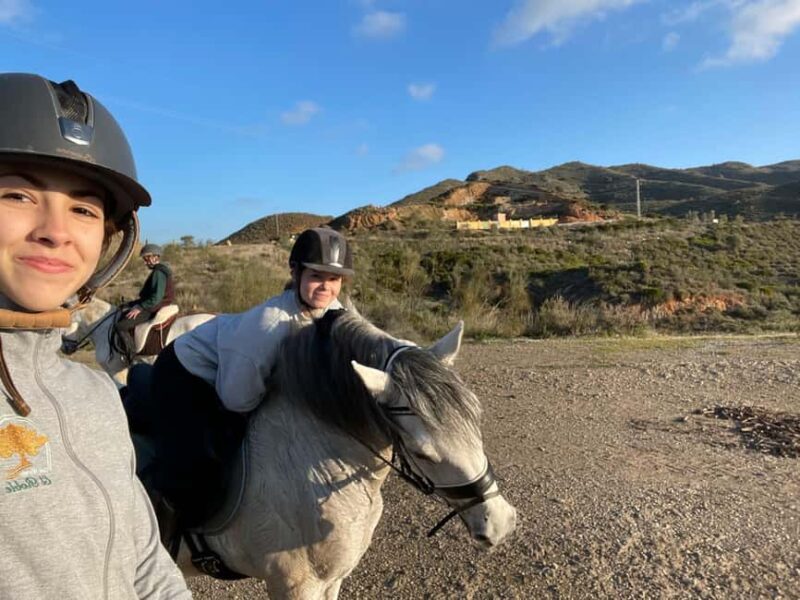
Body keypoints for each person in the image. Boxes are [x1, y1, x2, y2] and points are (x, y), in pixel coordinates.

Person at [0, 73, 191, 597]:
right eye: (17, 194)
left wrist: (138, 309)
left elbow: (147, 559)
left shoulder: (100, 394)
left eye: (83, 209)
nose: (56, 231)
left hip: (162, 306)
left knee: (134, 323)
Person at [135, 227, 354, 533]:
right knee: (200, 463)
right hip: (185, 372)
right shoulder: (270, 326)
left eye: (334, 279)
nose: (326, 287)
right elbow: (236, 400)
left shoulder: (331, 308)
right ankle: (166, 533)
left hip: (235, 366)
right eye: (317, 276)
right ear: (296, 272)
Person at [115, 242, 175, 359]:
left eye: (147, 258)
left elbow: (156, 297)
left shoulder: (158, 272)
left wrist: (140, 307)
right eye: (145, 259)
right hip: (155, 304)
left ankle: (131, 356)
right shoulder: (160, 271)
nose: (145, 261)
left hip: (153, 307)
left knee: (121, 326)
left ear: (155, 257)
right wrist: (130, 304)